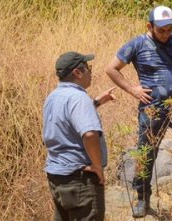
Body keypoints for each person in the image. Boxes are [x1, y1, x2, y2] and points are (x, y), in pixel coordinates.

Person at [106, 6, 172, 217]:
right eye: (161, 29)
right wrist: (132, 89)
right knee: (146, 152)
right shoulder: (138, 44)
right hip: (152, 109)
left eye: (169, 29)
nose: (166, 33)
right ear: (150, 26)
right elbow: (111, 68)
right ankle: (142, 198)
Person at [43, 51, 116, 221]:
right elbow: (89, 134)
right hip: (80, 180)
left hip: (57, 178)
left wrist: (96, 102)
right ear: (77, 72)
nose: (91, 72)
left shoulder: (53, 97)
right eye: (88, 68)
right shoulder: (78, 98)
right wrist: (97, 166)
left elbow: (66, 120)